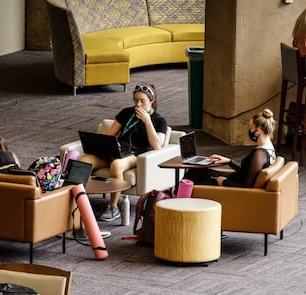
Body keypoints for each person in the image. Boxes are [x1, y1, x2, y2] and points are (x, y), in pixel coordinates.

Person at [79, 83, 168, 221]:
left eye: (142, 101)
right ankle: (79, 202)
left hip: (136, 154)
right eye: (136, 100)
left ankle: (113, 207)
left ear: (152, 101)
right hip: (116, 150)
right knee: (83, 161)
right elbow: (109, 135)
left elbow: (156, 145)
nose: (138, 104)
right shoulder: (126, 112)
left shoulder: (159, 120)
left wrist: (147, 121)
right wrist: (111, 144)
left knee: (116, 164)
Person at [184, 109, 277, 187]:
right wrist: (229, 161)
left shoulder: (259, 154)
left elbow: (248, 186)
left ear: (258, 132)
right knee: (197, 171)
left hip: (233, 186)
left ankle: (179, 197)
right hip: (235, 178)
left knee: (193, 176)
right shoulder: (269, 148)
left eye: (250, 128)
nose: (249, 131)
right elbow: (248, 172)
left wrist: (224, 182)